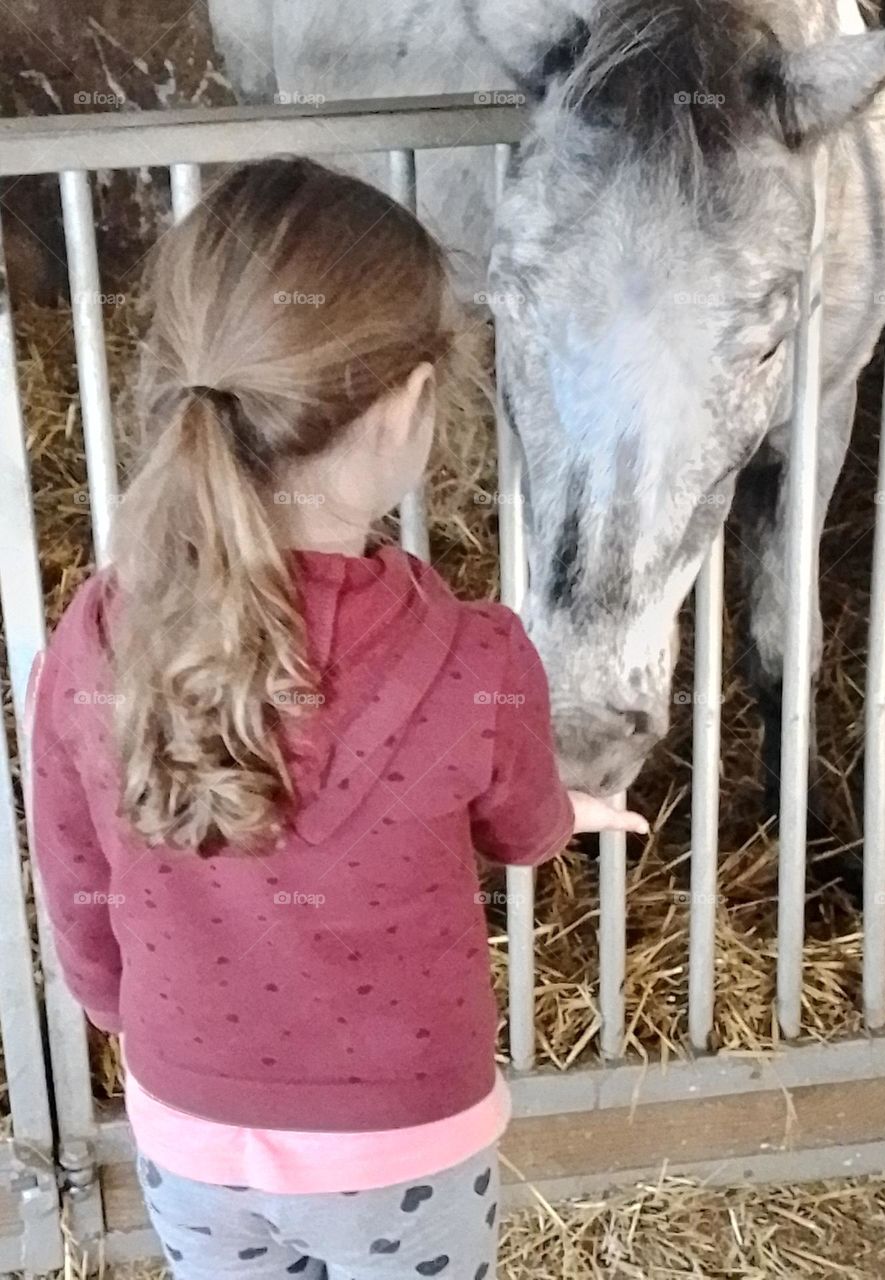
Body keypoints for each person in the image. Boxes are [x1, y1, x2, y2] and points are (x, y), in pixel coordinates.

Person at [29, 158, 645, 1280]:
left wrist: (126, 1005)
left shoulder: (100, 629)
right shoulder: (477, 656)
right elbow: (520, 823)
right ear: (411, 402)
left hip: (185, 1120)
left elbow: (71, 857)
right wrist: (572, 811)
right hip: (401, 1140)